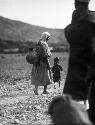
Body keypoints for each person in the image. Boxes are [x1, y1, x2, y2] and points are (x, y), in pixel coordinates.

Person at [63, 0, 95, 106]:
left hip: (80, 61)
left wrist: (74, 21)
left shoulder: (82, 20)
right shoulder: (91, 16)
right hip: (89, 61)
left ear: (76, 4)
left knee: (79, 96)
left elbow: (70, 34)